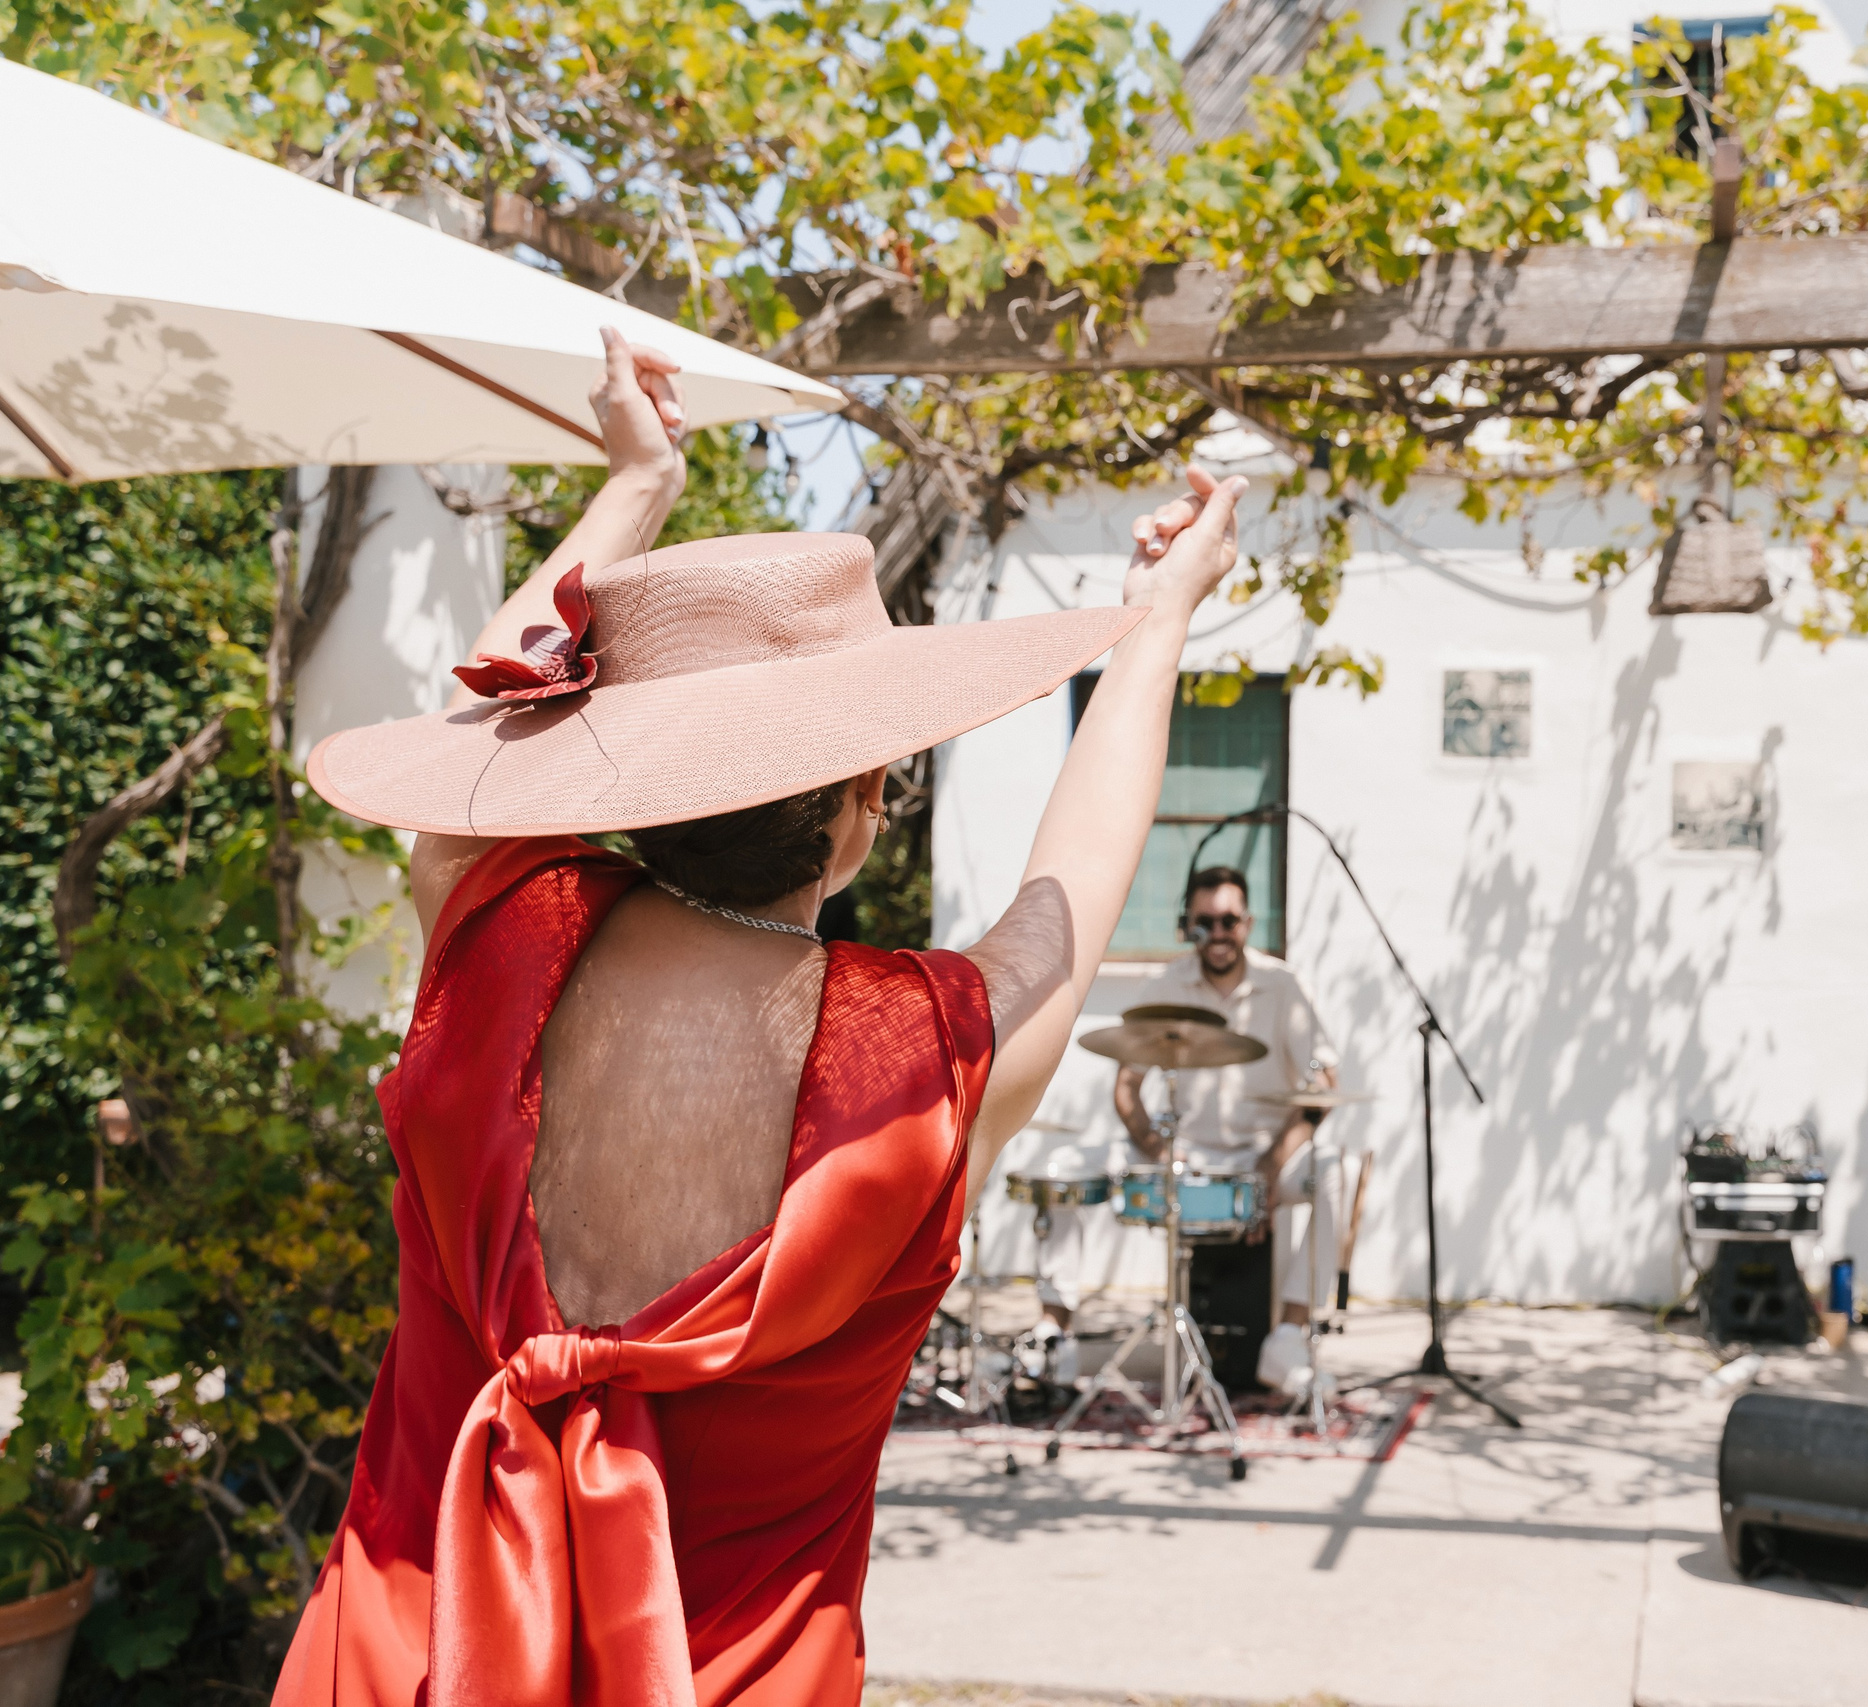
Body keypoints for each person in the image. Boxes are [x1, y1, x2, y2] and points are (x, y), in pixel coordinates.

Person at [275, 325, 1251, 1705]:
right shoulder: (922, 1069)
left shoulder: (498, 925)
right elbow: (1072, 894)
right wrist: (1157, 618)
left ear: (613, 774)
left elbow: (473, 750)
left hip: (394, 1668)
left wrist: (632, 483)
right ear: (862, 811)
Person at [1110, 864, 1342, 1395]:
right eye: (1205, 921)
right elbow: (1126, 1089)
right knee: (1077, 1166)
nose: (1218, 932)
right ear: (1187, 924)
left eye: (1229, 921)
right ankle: (1054, 1337)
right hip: (1188, 1158)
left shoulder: (1282, 984)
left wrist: (1270, 1166)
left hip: (1267, 1158)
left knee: (1335, 1171)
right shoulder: (1164, 985)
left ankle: (1287, 1335)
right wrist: (1155, 1148)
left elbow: (1325, 1082)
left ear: (1248, 923)